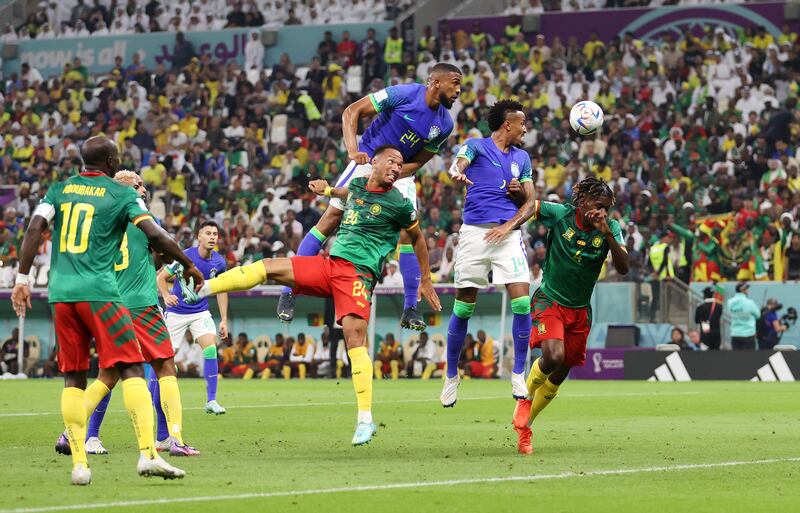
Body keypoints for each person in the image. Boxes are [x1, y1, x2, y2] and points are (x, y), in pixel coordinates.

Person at [181, 145, 441, 446]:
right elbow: (350, 194)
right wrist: (328, 190)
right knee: (268, 267)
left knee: (355, 340)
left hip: (358, 276)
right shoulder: (357, 184)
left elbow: (420, 240)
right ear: (374, 163)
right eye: (392, 162)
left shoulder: (399, 202)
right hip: (330, 265)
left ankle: (365, 420)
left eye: (400, 164)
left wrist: (426, 279)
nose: (397, 168)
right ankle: (202, 290)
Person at [10, 135, 200, 484]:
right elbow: (156, 237)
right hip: (104, 294)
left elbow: (35, 226)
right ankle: (149, 454)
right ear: (112, 163)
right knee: (133, 370)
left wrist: (22, 278)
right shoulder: (122, 197)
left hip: (61, 293)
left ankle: (80, 464)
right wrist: (189, 263)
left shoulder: (59, 190)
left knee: (75, 377)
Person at [278, 63, 462, 333]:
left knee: (408, 234)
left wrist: (395, 173)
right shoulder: (404, 94)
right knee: (330, 220)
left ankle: (411, 308)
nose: (458, 90)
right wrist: (353, 151)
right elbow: (352, 111)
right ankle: (288, 291)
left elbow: (420, 161)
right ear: (435, 82)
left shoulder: (445, 124)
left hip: (401, 174)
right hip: (367, 161)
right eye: (454, 83)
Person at [54, 171, 199, 458]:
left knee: (108, 375)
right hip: (140, 304)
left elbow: (153, 256)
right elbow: (164, 244)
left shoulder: (99, 225)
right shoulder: (139, 220)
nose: (143, 189)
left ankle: (69, 432)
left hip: (109, 307)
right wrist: (184, 260)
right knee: (166, 367)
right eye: (138, 185)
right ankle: (175, 439)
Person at [512, 177, 629, 455]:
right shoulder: (561, 214)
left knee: (563, 368)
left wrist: (607, 233)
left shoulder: (610, 228)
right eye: (598, 205)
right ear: (583, 201)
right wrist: (519, 197)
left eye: (606, 208)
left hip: (579, 311)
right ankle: (524, 398)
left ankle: (526, 425)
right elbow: (532, 205)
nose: (602, 212)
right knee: (553, 356)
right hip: (550, 300)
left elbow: (624, 267)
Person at [439, 100, 535, 407]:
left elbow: (531, 204)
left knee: (521, 300)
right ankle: (452, 375)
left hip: (508, 235)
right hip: (474, 234)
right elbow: (460, 161)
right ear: (508, 124)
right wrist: (456, 170)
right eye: (522, 123)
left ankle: (518, 373)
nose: (526, 128)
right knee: (464, 306)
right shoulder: (476, 146)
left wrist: (509, 223)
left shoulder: (522, 157)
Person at [157, 221, 228, 415]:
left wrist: (223, 319)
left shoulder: (219, 262)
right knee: (164, 358)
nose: (212, 237)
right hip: (177, 313)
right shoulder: (185, 256)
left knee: (211, 348)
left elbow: (223, 290)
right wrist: (166, 295)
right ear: (199, 237)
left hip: (200, 312)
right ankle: (152, 396)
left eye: (215, 233)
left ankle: (211, 400)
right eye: (208, 233)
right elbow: (161, 278)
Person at [727, 282, 761, 350]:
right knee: (749, 359)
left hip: (735, 334)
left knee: (737, 359)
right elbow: (758, 315)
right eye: (746, 289)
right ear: (742, 290)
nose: (747, 290)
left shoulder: (729, 302)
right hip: (748, 334)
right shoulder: (749, 302)